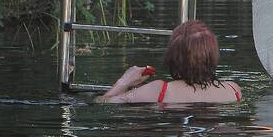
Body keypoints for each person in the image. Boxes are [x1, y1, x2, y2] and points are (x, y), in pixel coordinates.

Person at [95, 20, 242, 104]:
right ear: (213, 54)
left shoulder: (160, 91)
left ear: (173, 55)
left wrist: (124, 81)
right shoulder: (233, 90)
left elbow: (103, 103)